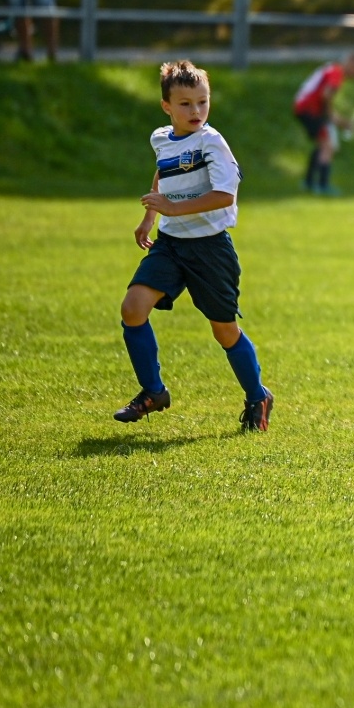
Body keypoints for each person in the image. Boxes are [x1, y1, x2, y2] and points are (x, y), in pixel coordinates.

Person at [115, 61, 273, 432]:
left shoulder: (212, 143)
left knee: (224, 330)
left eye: (202, 102)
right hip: (170, 244)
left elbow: (223, 195)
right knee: (133, 308)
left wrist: (173, 208)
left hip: (210, 249)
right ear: (166, 106)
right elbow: (163, 171)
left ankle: (258, 396)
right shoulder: (161, 138)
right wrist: (151, 217)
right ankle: (153, 392)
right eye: (185, 104)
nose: (196, 111)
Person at [292, 51, 354, 196]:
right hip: (309, 109)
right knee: (328, 145)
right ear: (353, 63)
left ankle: (308, 182)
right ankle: (322, 185)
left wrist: (335, 118)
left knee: (322, 144)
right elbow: (326, 95)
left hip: (303, 107)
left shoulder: (332, 69)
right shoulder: (337, 72)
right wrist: (333, 116)